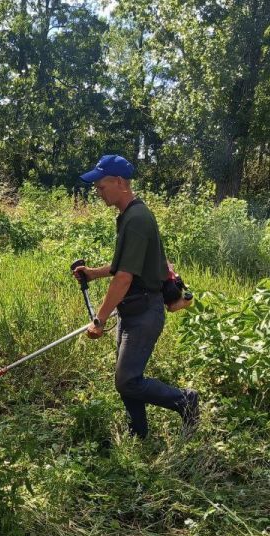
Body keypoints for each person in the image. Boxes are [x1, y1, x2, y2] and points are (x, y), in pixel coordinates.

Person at [73, 154, 199, 439]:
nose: (98, 192)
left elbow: (124, 278)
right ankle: (138, 434)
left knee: (127, 380)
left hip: (144, 312)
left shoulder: (137, 219)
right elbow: (125, 265)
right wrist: (93, 273)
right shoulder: (128, 215)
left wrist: (99, 319)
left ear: (119, 182)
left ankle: (185, 400)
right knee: (126, 378)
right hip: (132, 310)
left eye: (101, 186)